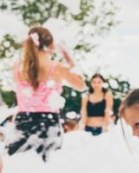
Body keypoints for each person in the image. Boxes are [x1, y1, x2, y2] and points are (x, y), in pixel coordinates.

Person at [7, 26, 85, 161]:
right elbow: (81, 86)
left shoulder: (17, 67)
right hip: (48, 123)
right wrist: (69, 59)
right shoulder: (56, 68)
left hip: (22, 121)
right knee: (46, 172)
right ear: (51, 45)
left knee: (18, 169)